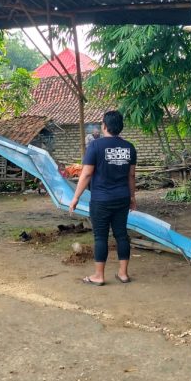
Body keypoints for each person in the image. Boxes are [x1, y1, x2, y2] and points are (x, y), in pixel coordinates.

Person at [69, 110, 137, 285]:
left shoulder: (95, 146)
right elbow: (131, 176)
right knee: (122, 235)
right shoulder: (129, 147)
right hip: (122, 198)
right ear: (120, 127)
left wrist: (76, 197)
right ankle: (123, 274)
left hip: (101, 200)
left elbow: (86, 174)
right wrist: (132, 198)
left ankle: (99, 276)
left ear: (104, 126)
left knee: (100, 237)